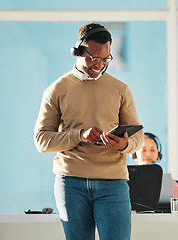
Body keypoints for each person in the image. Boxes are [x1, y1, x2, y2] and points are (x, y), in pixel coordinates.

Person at [34, 23, 144, 240]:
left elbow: (138, 138)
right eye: (93, 58)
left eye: (105, 59)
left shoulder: (121, 90)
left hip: (113, 183)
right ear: (78, 52)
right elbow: (42, 140)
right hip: (71, 182)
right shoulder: (56, 90)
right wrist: (79, 135)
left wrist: (123, 144)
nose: (99, 65)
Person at [132, 132, 178, 198]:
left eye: (152, 150)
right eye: (143, 150)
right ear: (134, 155)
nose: (148, 154)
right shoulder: (126, 181)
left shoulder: (170, 183)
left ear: (158, 154)